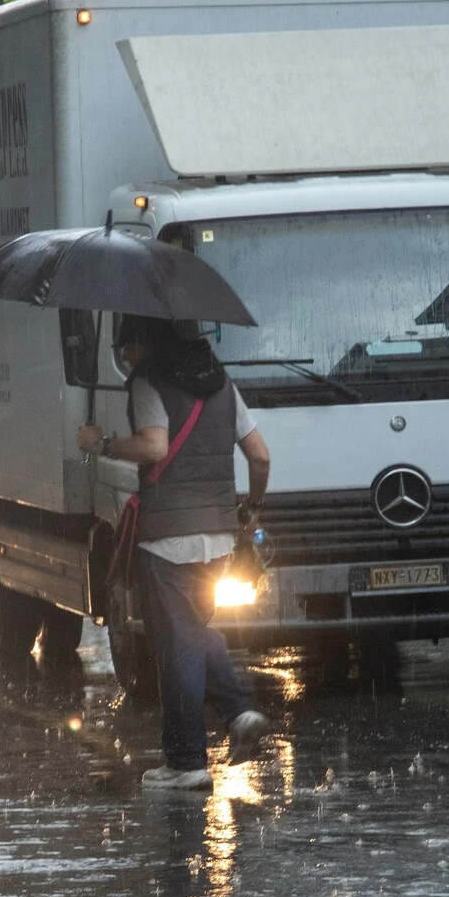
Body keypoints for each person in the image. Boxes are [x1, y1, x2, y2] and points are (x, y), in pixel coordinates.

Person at [77, 315, 271, 792]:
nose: (124, 357)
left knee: (178, 644)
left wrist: (101, 443)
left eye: (127, 347)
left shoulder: (149, 381)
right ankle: (237, 712)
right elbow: (260, 455)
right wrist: (250, 506)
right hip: (219, 538)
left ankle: (188, 759)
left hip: (167, 537)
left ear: (144, 343)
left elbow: (154, 445)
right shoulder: (221, 381)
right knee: (192, 634)